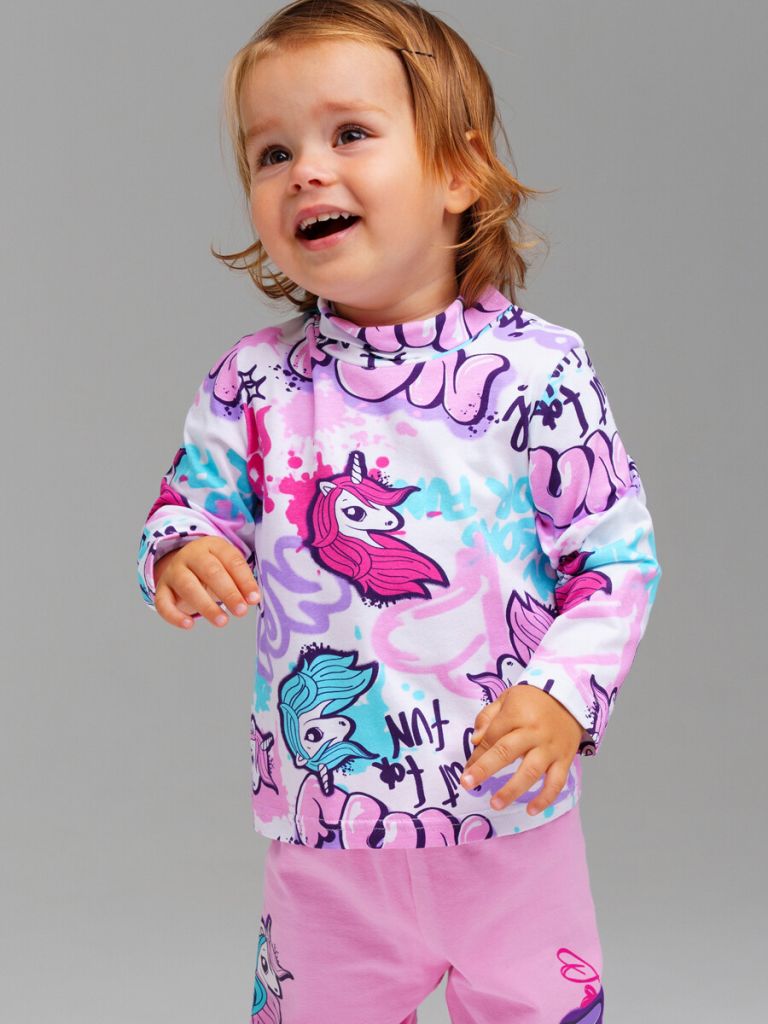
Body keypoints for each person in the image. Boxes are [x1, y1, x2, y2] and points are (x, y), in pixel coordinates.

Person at [136, 2, 662, 1020]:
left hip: (511, 830)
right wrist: (181, 548)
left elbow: (615, 558)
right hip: (326, 834)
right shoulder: (256, 384)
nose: (306, 171)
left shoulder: (536, 373)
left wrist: (564, 696)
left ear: (458, 173)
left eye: (349, 134)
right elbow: (187, 504)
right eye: (272, 152)